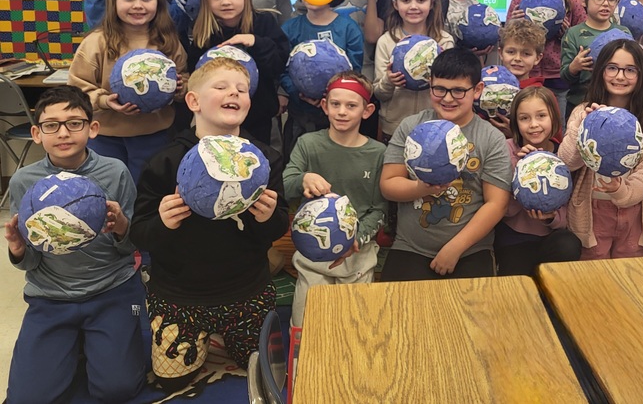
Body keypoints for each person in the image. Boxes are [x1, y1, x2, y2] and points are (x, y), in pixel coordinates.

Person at [130, 57, 288, 391]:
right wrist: (163, 221)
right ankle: (205, 337)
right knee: (172, 381)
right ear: (193, 101)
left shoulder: (263, 159)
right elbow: (139, 233)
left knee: (268, 371)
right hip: (181, 294)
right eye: (221, 86)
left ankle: (227, 334)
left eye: (242, 89)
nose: (234, 92)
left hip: (247, 290)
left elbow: (275, 229)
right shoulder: (166, 160)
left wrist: (267, 217)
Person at [4, 86, 146, 404]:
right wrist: (17, 249)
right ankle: (77, 344)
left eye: (75, 122)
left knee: (118, 389)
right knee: (28, 398)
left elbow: (132, 250)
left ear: (92, 128)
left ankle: (97, 343)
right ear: (37, 133)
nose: (63, 132)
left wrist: (122, 227)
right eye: (52, 125)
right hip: (50, 298)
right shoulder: (24, 182)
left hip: (114, 292)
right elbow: (31, 262)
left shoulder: (114, 172)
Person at [379, 48, 513, 280]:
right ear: (430, 85)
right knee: (398, 313)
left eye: (459, 91)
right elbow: (388, 184)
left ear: (477, 90)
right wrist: (422, 189)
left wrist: (455, 249)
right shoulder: (411, 126)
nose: (448, 98)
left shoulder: (491, 138)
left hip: (471, 249)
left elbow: (497, 204)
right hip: (410, 246)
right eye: (439, 89)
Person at [283, 71, 386, 328]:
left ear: (367, 110)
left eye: (351, 105)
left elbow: (379, 208)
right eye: (336, 104)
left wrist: (355, 238)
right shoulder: (308, 144)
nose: (342, 111)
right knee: (307, 326)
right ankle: (303, 368)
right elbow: (284, 185)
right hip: (311, 258)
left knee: (355, 328)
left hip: (358, 257)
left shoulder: (378, 153)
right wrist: (303, 178)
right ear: (324, 105)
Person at [68, 0, 187, 183]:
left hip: (155, 136)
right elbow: (77, 90)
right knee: (109, 194)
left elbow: (183, 78)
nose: (138, 6)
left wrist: (180, 89)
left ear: (159, 2)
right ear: (113, 1)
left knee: (146, 194)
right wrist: (104, 100)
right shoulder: (97, 42)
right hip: (104, 137)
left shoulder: (167, 42)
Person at [559, 39, 643, 259]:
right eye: (612, 68)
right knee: (594, 281)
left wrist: (620, 190)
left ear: (641, 75)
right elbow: (566, 162)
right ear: (601, 71)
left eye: (630, 70)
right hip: (591, 211)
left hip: (635, 213)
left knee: (630, 280)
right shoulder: (582, 112)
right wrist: (585, 129)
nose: (620, 76)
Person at [185, 0, 290, 145]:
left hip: (257, 116)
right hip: (215, 118)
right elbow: (195, 73)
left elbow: (278, 64)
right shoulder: (204, 31)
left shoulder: (264, 23)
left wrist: (256, 42)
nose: (226, 2)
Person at [280, 0, 364, 158]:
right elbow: (281, 69)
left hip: (337, 118)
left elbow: (355, 70)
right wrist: (298, 92)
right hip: (299, 116)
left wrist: (329, 96)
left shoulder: (348, 29)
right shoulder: (290, 28)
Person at [495, 87, 581, 275]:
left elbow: (569, 212)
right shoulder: (506, 150)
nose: (534, 124)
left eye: (541, 116)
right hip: (513, 237)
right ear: (516, 123)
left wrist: (551, 218)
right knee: (518, 291)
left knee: (569, 244)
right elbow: (503, 209)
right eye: (524, 118)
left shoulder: (563, 155)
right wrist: (523, 168)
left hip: (550, 237)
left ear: (554, 118)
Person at [507, 0, 586, 118]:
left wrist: (567, 34)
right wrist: (513, 24)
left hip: (558, 76)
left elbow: (581, 36)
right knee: (524, 120)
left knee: (556, 124)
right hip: (525, 74)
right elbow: (504, 37)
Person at [372, 0, 455, 142]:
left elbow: (450, 87)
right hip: (395, 127)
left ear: (432, 3)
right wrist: (389, 81)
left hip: (434, 127)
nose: (413, 6)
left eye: (421, 0)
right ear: (395, 4)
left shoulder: (444, 41)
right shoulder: (386, 42)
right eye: (406, 0)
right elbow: (379, 93)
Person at [561, 0, 631, 117]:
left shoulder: (624, 33)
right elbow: (564, 76)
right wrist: (575, 67)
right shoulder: (573, 34)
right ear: (582, 0)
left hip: (615, 105)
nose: (606, 4)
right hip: (580, 104)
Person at [499, 19, 547, 89]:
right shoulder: (489, 87)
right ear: (501, 53)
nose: (517, 58)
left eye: (526, 54)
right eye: (511, 52)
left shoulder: (541, 95)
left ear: (537, 58)